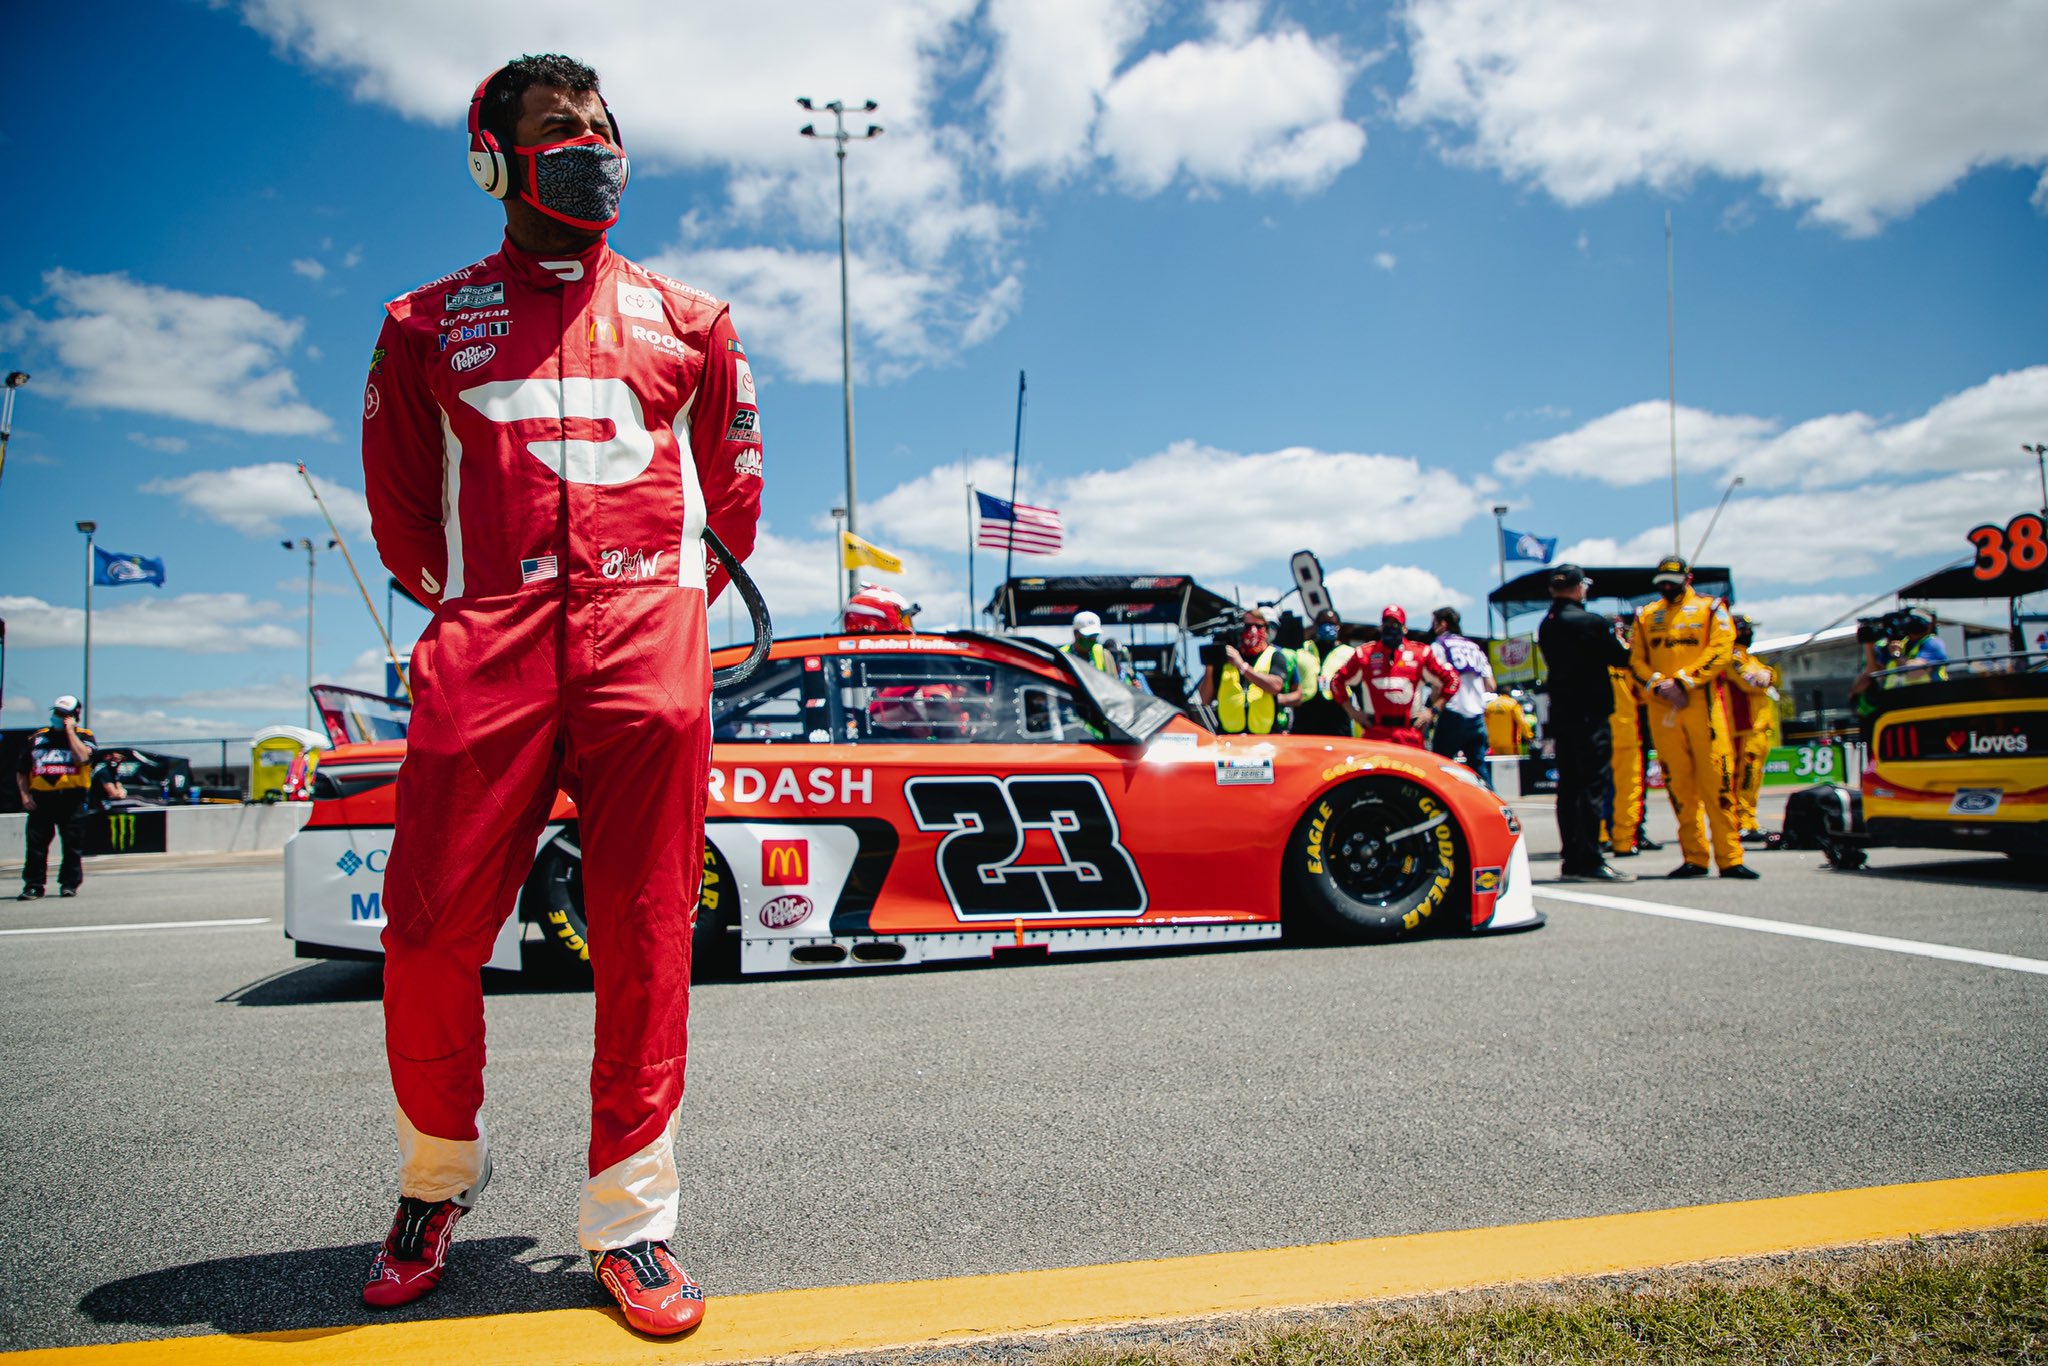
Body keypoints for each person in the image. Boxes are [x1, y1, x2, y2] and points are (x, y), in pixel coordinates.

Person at [357, 54, 762, 1335]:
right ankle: (437, 1176)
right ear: (493, 159)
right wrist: (486, 612)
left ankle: (632, 1221)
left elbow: (733, 502)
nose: (590, 147)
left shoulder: (694, 320)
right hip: (491, 646)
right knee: (424, 932)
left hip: (648, 648)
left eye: (600, 127)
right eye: (556, 130)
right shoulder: (423, 322)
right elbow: (402, 515)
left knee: (644, 942)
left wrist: (653, 609)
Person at [1629, 557, 1754, 880]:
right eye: (1662, 582)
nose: (1667, 587)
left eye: (1673, 580)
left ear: (1688, 578)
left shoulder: (1711, 609)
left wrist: (1685, 680)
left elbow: (1721, 649)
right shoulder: (1646, 616)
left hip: (1703, 704)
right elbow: (1636, 661)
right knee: (1679, 787)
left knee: (1718, 784)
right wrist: (1659, 684)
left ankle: (1730, 858)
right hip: (1663, 707)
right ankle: (1694, 857)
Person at [1535, 568, 1632, 883]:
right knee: (1592, 788)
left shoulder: (1547, 624)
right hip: (1590, 715)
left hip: (1563, 715)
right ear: (1578, 589)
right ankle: (1590, 857)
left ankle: (1572, 858)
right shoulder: (1589, 622)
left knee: (1569, 789)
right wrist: (1618, 636)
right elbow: (1621, 658)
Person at [1327, 605, 1456, 747]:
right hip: (1375, 733)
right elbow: (1336, 681)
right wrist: (1352, 712)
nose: (1391, 627)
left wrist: (1432, 711)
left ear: (1404, 628)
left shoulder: (1421, 653)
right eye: (1387, 623)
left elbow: (1452, 680)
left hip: (1409, 733)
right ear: (1381, 627)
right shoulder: (1365, 654)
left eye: (1395, 624)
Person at [16, 696, 95, 901]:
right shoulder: (38, 738)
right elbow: (22, 770)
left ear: (75, 715)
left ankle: (69, 884)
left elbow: (83, 758)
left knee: (71, 845)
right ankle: (33, 886)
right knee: (36, 846)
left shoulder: (85, 737)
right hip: (42, 799)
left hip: (72, 798)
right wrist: (25, 796)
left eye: (63, 714)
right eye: (56, 713)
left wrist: (70, 732)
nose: (58, 717)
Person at [1605, 616, 1659, 858]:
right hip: (1626, 734)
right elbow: (1646, 694)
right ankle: (1624, 841)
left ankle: (1609, 838)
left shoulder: (1588, 658)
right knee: (1627, 791)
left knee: (1605, 790)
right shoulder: (1630, 660)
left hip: (1606, 734)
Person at [1722, 615, 1780, 843]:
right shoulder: (1731, 656)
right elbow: (1751, 680)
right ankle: (1741, 823)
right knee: (1743, 779)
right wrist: (1764, 676)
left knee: (1753, 779)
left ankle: (1749, 820)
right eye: (1744, 629)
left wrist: (1768, 674)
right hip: (1742, 729)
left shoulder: (1749, 657)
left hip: (1757, 730)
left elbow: (1765, 674)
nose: (1749, 633)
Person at [1198, 608, 1298, 735]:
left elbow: (1275, 686)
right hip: (1229, 736)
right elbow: (1205, 699)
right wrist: (1210, 666)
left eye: (1258, 626)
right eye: (1248, 626)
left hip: (1264, 735)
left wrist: (1242, 667)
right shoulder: (1226, 657)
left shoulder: (1275, 656)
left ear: (1266, 629)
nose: (1253, 630)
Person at [1427, 607, 1494, 783]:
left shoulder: (1439, 645)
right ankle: (1492, 807)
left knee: (1439, 768)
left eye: (1434, 623)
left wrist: (1433, 707)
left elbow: (1436, 683)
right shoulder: (1475, 648)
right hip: (1477, 717)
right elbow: (1491, 685)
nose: (1432, 627)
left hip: (1453, 713)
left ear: (1443, 624)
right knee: (1479, 771)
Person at [1290, 610, 1354, 737]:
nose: (1327, 627)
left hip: (1337, 713)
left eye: (1331, 623)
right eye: (1322, 623)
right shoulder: (1302, 649)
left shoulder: (1350, 653)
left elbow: (1357, 687)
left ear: (1338, 626)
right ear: (1315, 625)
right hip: (1306, 713)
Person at [1484, 688, 1532, 758]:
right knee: (1512, 767)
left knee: (1497, 766)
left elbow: (1485, 724)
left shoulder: (1489, 706)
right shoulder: (1513, 704)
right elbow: (1522, 722)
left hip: (1494, 744)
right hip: (1510, 744)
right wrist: (1529, 736)